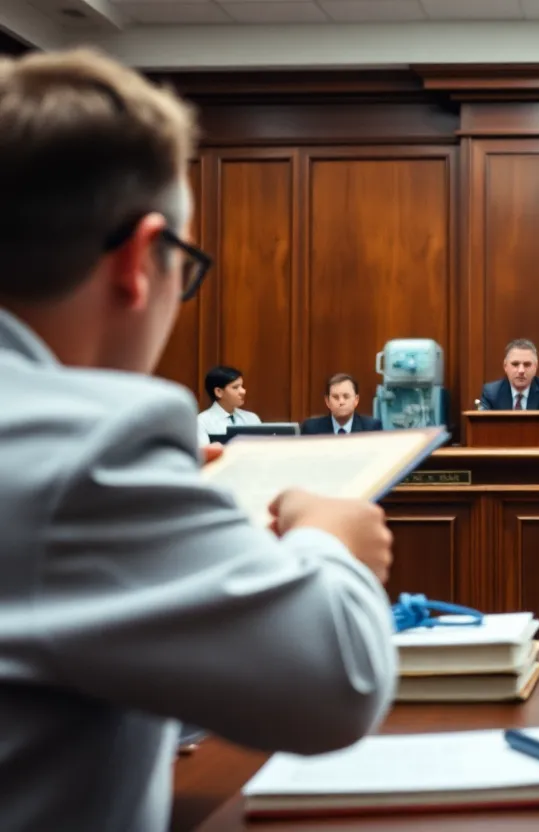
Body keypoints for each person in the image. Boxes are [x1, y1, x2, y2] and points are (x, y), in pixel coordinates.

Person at [0, 48, 398, 831]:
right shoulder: (90, 449)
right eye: (183, 267)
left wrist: (187, 551)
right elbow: (336, 684)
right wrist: (329, 543)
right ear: (139, 260)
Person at [479, 338, 539, 411]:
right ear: (505, 366)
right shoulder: (491, 393)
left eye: (527, 364)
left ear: (536, 367)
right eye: (515, 364)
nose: (521, 371)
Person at [300, 373, 383, 434]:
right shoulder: (311, 428)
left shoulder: (371, 428)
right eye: (336, 397)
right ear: (327, 401)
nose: (341, 402)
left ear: (356, 400)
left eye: (346, 396)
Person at [197, 363, 261, 442]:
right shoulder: (202, 422)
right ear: (218, 392)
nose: (243, 391)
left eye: (242, 386)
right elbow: (203, 449)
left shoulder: (252, 418)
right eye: (235, 387)